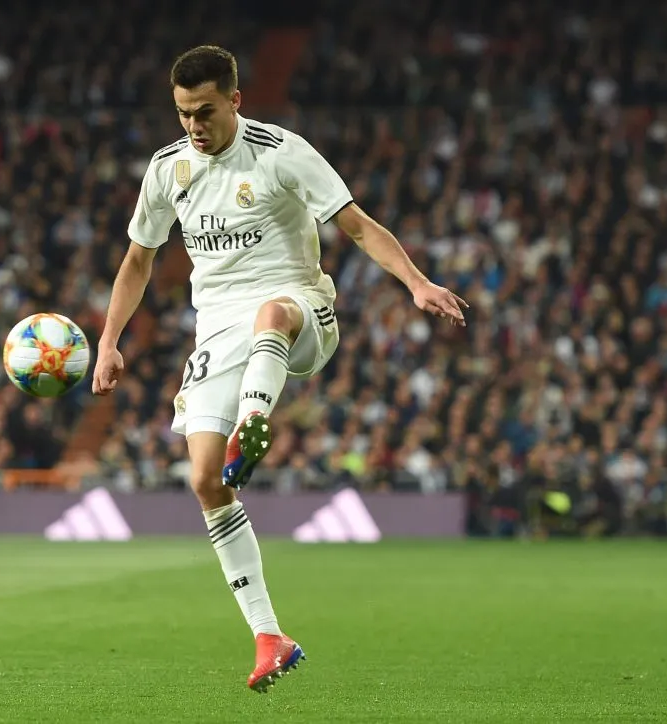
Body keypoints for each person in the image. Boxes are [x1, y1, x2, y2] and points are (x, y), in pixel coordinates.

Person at [92, 45, 468, 692]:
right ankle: (269, 636)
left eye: (205, 111)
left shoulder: (281, 151)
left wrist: (414, 282)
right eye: (183, 114)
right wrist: (108, 341)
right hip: (217, 331)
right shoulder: (167, 170)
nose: (193, 126)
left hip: (301, 312)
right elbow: (138, 261)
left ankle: (254, 422)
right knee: (207, 481)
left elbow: (354, 224)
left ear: (235, 100)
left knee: (273, 310)